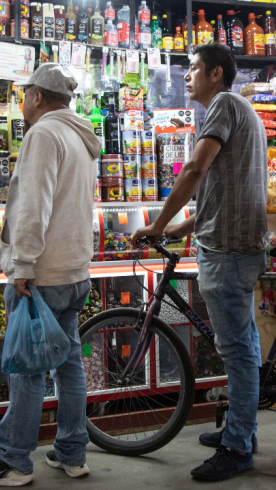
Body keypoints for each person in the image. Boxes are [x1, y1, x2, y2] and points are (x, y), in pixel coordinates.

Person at [132, 43, 267, 481]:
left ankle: (237, 447)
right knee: (242, 348)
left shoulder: (225, 103)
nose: (186, 76)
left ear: (215, 74)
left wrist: (158, 222)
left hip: (228, 251)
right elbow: (223, 189)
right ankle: (241, 429)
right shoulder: (242, 110)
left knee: (238, 353)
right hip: (233, 242)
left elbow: (195, 169)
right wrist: (178, 229)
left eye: (193, 69)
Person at [0, 63, 101, 487]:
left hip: (42, 277)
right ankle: (72, 453)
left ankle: (14, 460)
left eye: (24, 94)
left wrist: (21, 264)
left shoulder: (43, 133)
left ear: (38, 96)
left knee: (27, 370)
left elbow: (34, 207)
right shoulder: (80, 137)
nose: (22, 101)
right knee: (68, 366)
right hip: (75, 271)